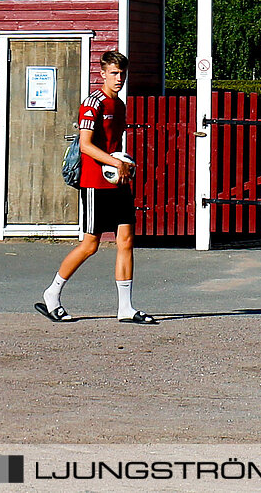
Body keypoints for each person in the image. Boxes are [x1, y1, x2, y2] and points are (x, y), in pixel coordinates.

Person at [35, 50, 157, 324]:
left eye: (122, 73)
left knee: (126, 241)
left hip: (118, 180)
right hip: (94, 183)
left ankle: (125, 308)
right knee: (91, 245)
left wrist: (123, 163)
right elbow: (86, 145)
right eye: (114, 73)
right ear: (102, 74)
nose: (119, 78)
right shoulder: (92, 104)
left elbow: (115, 144)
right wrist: (114, 160)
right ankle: (52, 294)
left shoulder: (121, 105)